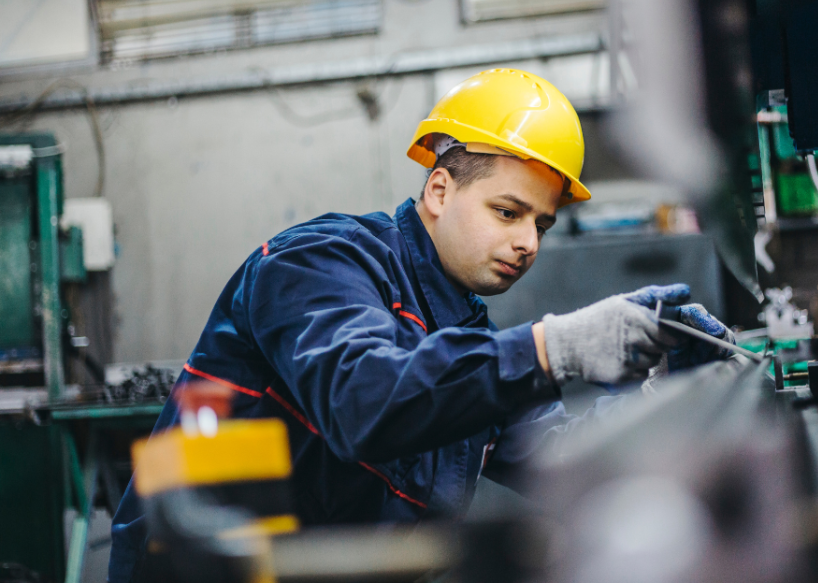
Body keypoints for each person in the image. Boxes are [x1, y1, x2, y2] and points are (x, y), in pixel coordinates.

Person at [108, 68, 734, 583]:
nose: (527, 244)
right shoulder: (318, 262)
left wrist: (661, 394)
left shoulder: (462, 336)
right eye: (507, 212)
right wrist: (556, 348)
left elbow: (554, 455)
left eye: (539, 225)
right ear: (439, 189)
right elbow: (366, 400)